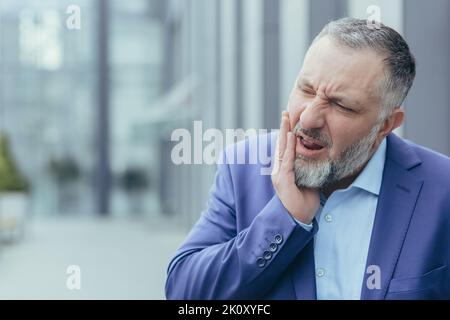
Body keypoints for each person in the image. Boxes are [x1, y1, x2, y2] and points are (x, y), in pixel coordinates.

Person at [165, 17, 450, 300]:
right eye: (306, 89)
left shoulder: (442, 189)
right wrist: (285, 219)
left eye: (341, 105)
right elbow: (184, 292)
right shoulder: (243, 168)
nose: (309, 118)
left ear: (386, 124)